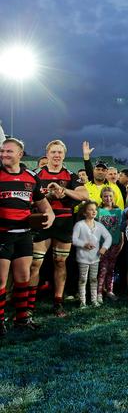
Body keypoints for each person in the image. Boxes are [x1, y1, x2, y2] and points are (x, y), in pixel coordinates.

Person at [0, 138, 55, 335]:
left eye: (9, 151)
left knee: (23, 277)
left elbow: (44, 205)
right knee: (1, 279)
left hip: (24, 234)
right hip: (2, 235)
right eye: (2, 151)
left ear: (20, 154)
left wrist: (50, 215)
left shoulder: (32, 177)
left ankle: (22, 319)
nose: (4, 154)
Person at [32, 139, 89, 318]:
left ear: (64, 155)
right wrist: (46, 195)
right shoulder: (36, 174)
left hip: (64, 223)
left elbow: (84, 195)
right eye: (53, 152)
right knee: (35, 263)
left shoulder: (71, 176)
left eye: (60, 153)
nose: (56, 155)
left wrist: (64, 192)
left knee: (60, 262)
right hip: (42, 221)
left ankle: (58, 302)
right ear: (47, 154)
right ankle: (28, 304)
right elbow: (29, 198)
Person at [72, 201, 111, 308]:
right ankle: (82, 301)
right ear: (84, 213)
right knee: (83, 279)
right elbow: (74, 240)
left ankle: (94, 300)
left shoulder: (99, 225)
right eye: (90, 209)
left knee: (94, 279)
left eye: (95, 209)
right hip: (82, 257)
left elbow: (108, 237)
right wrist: (84, 244)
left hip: (95, 258)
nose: (94, 211)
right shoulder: (79, 225)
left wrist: (104, 248)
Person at [97, 187, 123, 301]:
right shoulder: (98, 211)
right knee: (102, 268)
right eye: (105, 196)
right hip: (102, 245)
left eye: (110, 196)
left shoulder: (119, 212)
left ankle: (110, 290)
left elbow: (121, 230)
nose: (108, 198)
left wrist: (121, 244)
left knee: (111, 269)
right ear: (102, 198)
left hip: (115, 244)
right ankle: (99, 292)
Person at [82, 141, 125, 210]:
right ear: (93, 170)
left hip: (109, 220)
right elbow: (78, 208)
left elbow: (120, 209)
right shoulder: (85, 187)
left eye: (103, 170)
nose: (100, 172)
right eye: (98, 169)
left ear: (107, 172)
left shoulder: (114, 188)